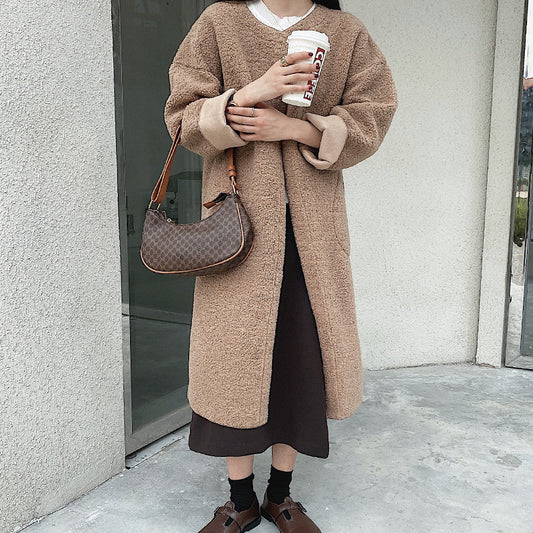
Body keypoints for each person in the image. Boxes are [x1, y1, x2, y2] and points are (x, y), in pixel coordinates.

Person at [163, 0, 398, 531]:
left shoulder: (344, 31)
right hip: (237, 232)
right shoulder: (219, 22)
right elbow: (180, 118)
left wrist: (293, 129)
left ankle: (280, 495)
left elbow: (374, 112)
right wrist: (252, 93)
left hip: (312, 237)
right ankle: (239, 500)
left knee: (300, 360)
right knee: (233, 362)